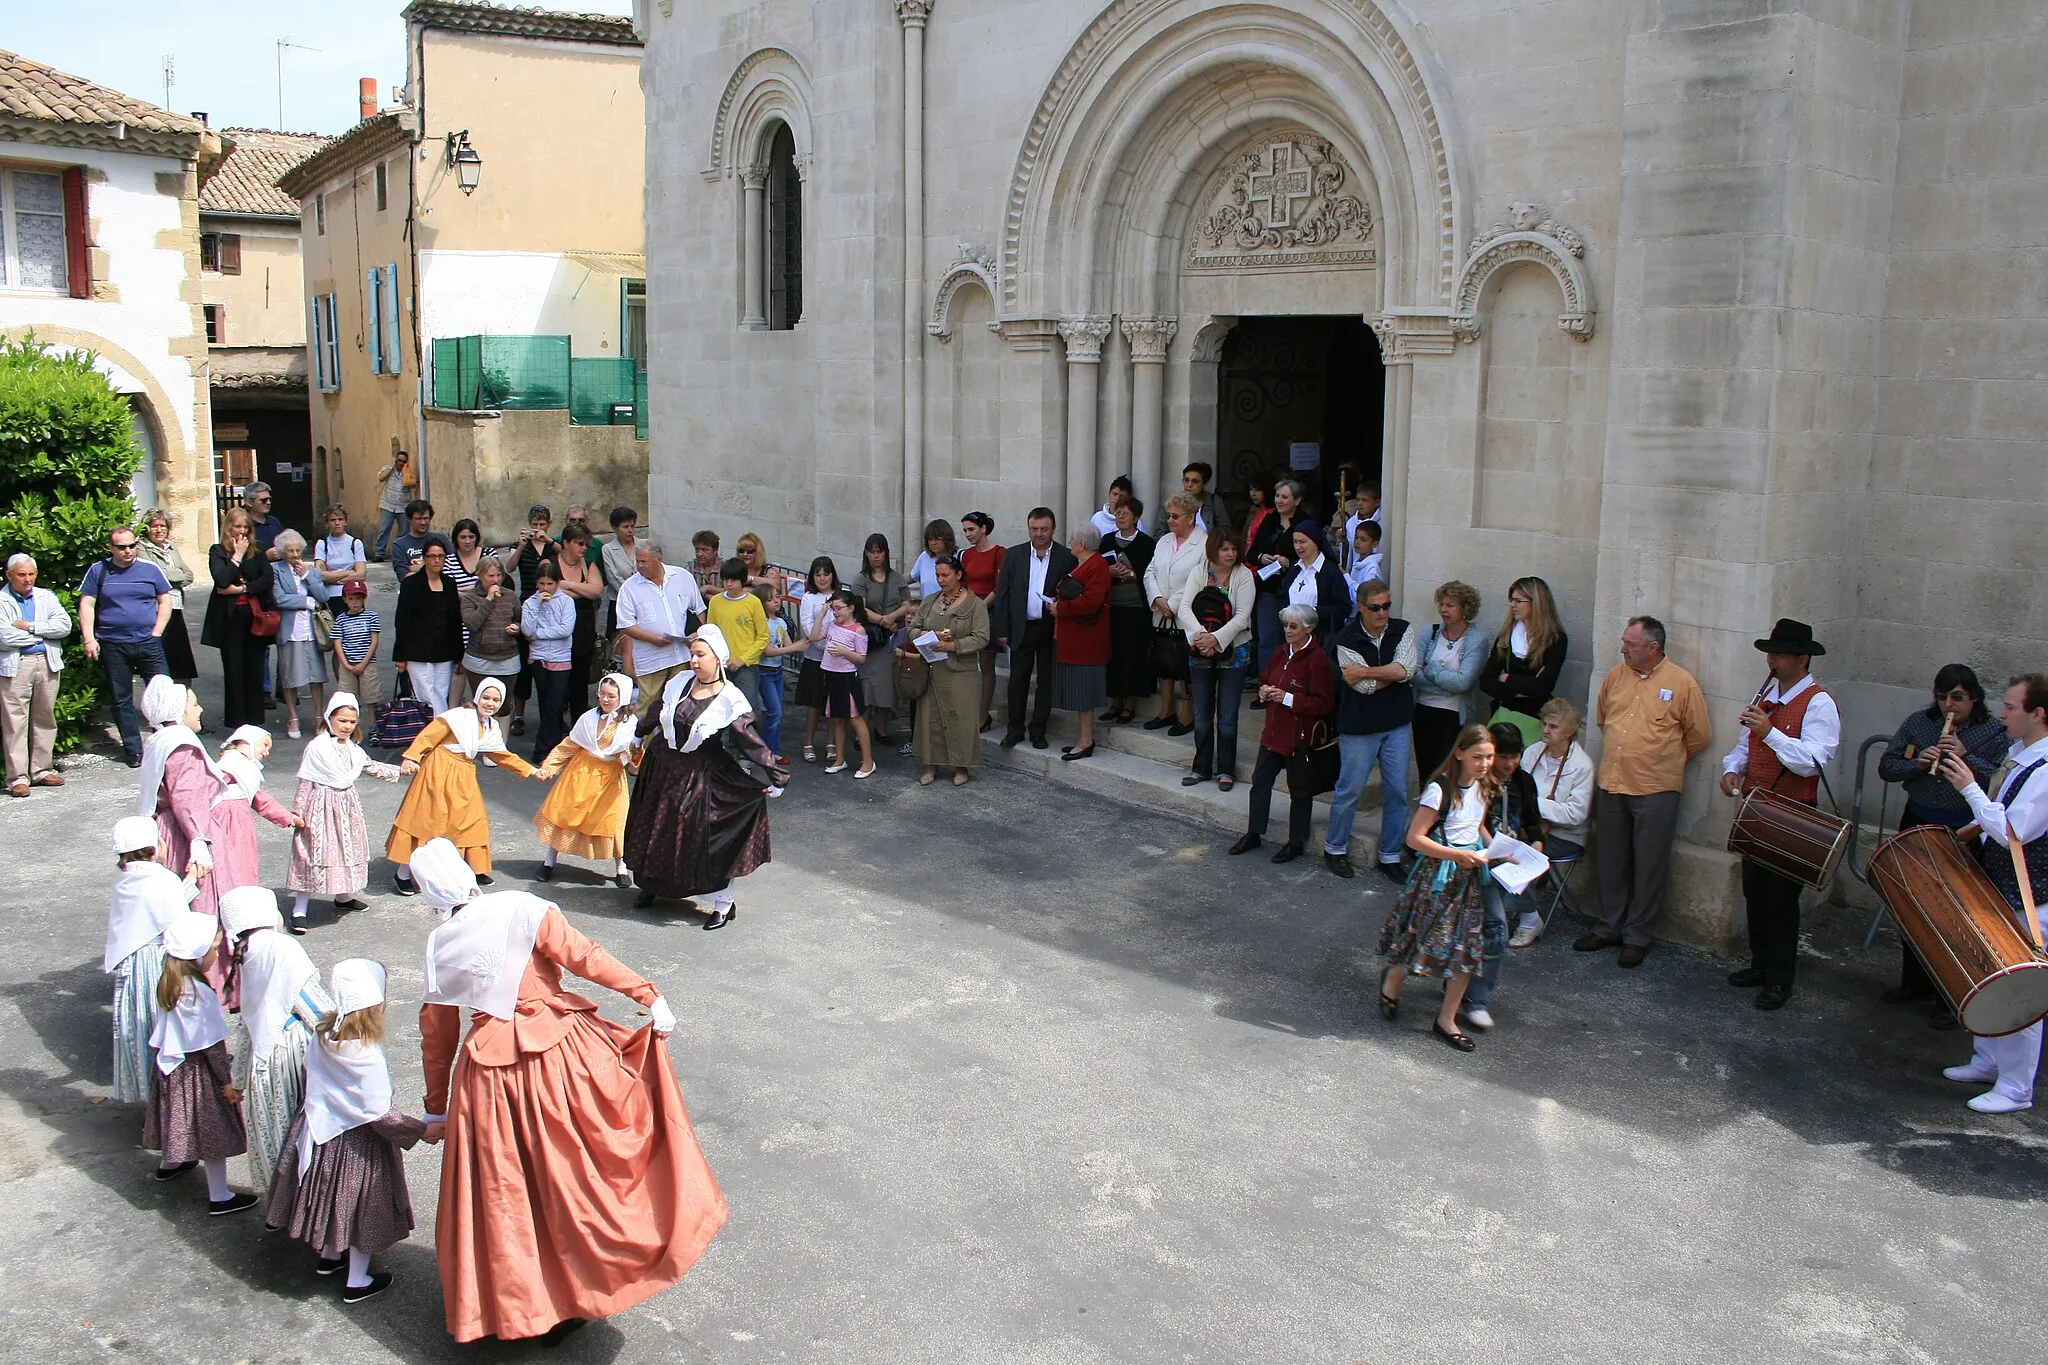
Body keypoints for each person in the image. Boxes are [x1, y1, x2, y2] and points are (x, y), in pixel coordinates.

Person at [409, 838, 723, 1344]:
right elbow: (584, 957)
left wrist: (437, 1108)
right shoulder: (521, 908)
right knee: (581, 1176)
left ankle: (528, 1304)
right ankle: (589, 1280)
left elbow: (437, 1035)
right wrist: (649, 994)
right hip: (560, 1054)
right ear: (468, 874)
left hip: (488, 1078)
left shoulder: (440, 944)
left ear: (430, 896)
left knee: (510, 1195)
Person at [265, 958, 427, 1305]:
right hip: (358, 1143)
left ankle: (329, 1256)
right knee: (361, 1208)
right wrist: (421, 1131)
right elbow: (380, 1115)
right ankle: (358, 1279)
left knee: (328, 1196)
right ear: (376, 1006)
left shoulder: (323, 1036)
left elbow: (311, 1073)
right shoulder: (365, 1054)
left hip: (320, 1131)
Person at [1934, 674, 2048, 1114]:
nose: (2003, 713)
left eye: (2013, 707)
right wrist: (1973, 827)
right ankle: (1987, 1061)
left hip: (2031, 900)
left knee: (2021, 993)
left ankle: (2017, 1088)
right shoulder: (2021, 754)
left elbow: (2015, 831)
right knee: (1987, 976)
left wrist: (1969, 789)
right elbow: (1999, 817)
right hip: (2003, 890)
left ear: (2038, 714)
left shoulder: (2044, 768)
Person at [1715, 619, 1842, 1011]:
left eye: (1781, 654)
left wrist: (1771, 732)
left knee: (1782, 898)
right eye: (1771, 653)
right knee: (1754, 888)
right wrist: (1732, 767)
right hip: (1758, 804)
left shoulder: (1819, 703)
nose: (1771, 660)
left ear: (1802, 659)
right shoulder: (1769, 691)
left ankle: (1780, 978)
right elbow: (1744, 743)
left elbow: (1812, 762)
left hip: (1794, 810)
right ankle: (1759, 963)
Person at [624, 627, 791, 920]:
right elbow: (657, 711)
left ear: (718, 659)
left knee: (701, 839)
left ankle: (723, 904)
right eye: (692, 655)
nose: (694, 661)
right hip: (662, 767)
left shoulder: (730, 698)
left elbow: (749, 740)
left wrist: (776, 775)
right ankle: (651, 885)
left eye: (701, 655)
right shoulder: (680, 683)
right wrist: (639, 735)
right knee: (654, 830)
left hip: (698, 775)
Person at [1578, 615, 1713, 968]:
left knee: (1649, 865)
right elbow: (1603, 718)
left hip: (1656, 789)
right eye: (1624, 642)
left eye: (1630, 644)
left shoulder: (1681, 683)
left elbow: (1698, 736)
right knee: (1610, 860)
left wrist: (1661, 761)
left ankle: (1637, 936)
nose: (1623, 649)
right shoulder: (1615, 676)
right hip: (1613, 783)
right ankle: (1608, 927)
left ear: (1653, 648)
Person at [1876, 665, 2007, 1025]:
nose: (1948, 705)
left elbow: (2002, 779)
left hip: (1961, 829)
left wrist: (1965, 756)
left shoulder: (1994, 731)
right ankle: (1913, 983)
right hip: (1917, 819)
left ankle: (1950, 996)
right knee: (1910, 903)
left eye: (1957, 697)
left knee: (1954, 915)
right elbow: (1887, 766)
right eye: (1942, 696)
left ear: (1974, 697)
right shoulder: (1920, 722)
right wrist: (1917, 764)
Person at [1378, 724, 1498, 1052]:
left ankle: (1446, 1019)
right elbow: (1415, 838)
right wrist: (1458, 854)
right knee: (1422, 940)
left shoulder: (1485, 786)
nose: (1484, 763)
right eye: (1478, 757)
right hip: (1438, 878)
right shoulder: (1440, 789)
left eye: (1489, 757)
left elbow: (1478, 827)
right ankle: (1393, 978)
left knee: (1467, 952)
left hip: (1469, 880)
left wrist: (1503, 851)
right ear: (1459, 753)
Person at [145, 910, 257, 1213]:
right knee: (211, 1131)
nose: (216, 955)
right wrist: (228, 1081)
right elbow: (212, 1046)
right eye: (213, 949)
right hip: (198, 1072)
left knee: (177, 1119)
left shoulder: (170, 982)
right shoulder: (199, 994)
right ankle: (220, 1196)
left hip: (171, 1067)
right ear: (197, 955)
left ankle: (171, 1163)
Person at [386, 677, 541, 894]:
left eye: (496, 700)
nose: (490, 703)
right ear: (477, 697)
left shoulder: (490, 726)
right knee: (428, 821)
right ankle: (403, 873)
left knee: (471, 820)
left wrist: (531, 770)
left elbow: (501, 755)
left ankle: (472, 868)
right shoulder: (457, 717)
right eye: (486, 697)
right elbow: (427, 737)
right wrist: (412, 757)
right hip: (438, 771)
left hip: (464, 773)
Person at [220, 886, 329, 1193]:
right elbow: (314, 1008)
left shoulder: (249, 950)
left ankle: (279, 1206)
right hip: (293, 1055)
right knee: (303, 1134)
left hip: (261, 1061)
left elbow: (246, 1027)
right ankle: (307, 1209)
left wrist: (238, 1081)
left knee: (274, 1135)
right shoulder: (283, 948)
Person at [1323, 578, 1418, 882]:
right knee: (1349, 789)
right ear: (1361, 607)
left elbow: (1408, 669)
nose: (1382, 613)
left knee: (1397, 791)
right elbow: (1363, 688)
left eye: (1386, 606)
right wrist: (1394, 673)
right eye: (1375, 607)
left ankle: (1390, 855)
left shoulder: (1402, 630)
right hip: (1359, 727)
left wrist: (1367, 670)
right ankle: (1335, 848)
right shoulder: (1346, 638)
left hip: (1397, 724)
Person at [1228, 604, 1335, 862]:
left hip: (1299, 737)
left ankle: (1296, 841)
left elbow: (1324, 703)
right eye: (1285, 624)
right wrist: (1265, 691)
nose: (1288, 630)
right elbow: (1266, 678)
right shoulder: (1280, 652)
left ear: (1309, 628)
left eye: (1294, 626)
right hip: (1273, 732)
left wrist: (1288, 698)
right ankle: (1254, 832)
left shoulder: (1317, 659)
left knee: (1299, 790)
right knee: (1260, 782)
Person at [1458, 722, 1546, 1032]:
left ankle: (1475, 999)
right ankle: (1458, 988)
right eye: (1503, 756)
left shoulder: (1523, 782)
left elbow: (1534, 824)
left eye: (1516, 755)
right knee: (1481, 928)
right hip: (1477, 862)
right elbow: (1472, 825)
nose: (1510, 763)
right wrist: (1493, 850)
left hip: (1508, 867)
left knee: (1494, 930)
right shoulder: (1478, 782)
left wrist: (1534, 849)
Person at [288, 693, 402, 929]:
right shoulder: (317, 748)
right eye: (342, 721)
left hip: (346, 803)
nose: (347, 726)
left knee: (346, 849)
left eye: (352, 722)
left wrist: (400, 771)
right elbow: (306, 781)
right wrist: (297, 813)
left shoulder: (352, 748)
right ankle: (300, 907)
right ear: (330, 719)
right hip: (320, 803)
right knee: (315, 853)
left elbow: (368, 766)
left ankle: (343, 896)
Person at [106, 815, 191, 1104]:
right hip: (157, 964)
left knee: (138, 1030)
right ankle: (170, 1102)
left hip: (132, 965)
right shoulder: (164, 879)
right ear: (155, 849)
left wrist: (190, 881)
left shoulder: (127, 879)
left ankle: (148, 1098)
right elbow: (176, 920)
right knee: (163, 1029)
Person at [535, 672, 641, 888]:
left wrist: (635, 757)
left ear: (623, 698)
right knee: (565, 815)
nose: (605, 699)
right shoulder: (589, 718)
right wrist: (549, 767)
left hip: (610, 776)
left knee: (614, 821)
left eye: (611, 695)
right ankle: (549, 861)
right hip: (581, 773)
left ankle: (621, 867)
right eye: (602, 693)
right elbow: (569, 745)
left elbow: (632, 752)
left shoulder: (630, 724)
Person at [83, 525, 175, 761]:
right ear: (110, 548)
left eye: (132, 545)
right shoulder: (98, 571)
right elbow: (87, 604)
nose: (128, 551)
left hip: (148, 641)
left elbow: (165, 601)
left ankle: (166, 746)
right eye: (122, 547)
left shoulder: (150, 569)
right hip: (113, 643)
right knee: (121, 697)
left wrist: (157, 632)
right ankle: (133, 749)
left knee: (162, 694)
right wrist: (89, 638)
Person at [990, 508, 1076, 751]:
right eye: (1034, 529)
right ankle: (1014, 729)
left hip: (1049, 628)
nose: (1039, 534)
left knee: (1046, 682)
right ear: (1028, 528)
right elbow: (1003, 594)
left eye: (1044, 529)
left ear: (1053, 529)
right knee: (1017, 680)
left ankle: (1038, 730)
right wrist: (1002, 630)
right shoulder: (1014, 555)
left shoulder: (1065, 557)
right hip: (1021, 627)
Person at [1513, 697, 1596, 946]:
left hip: (1565, 836)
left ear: (1570, 731)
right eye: (1545, 724)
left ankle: (1529, 921)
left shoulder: (1582, 766)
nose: (1546, 730)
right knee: (1492, 844)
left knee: (1523, 856)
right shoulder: (1533, 752)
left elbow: (1576, 814)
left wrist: (1535, 806)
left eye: (1554, 727)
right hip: (1530, 828)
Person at [1176, 528, 1255, 789]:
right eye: (1224, 548)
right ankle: (1200, 768)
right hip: (1200, 650)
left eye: (1233, 548)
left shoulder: (1244, 575)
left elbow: (1242, 616)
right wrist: (1202, 636)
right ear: (1214, 550)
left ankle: (1226, 770)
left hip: (1234, 653)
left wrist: (1217, 639)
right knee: (1201, 714)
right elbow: (1185, 607)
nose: (1230, 553)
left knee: (1228, 715)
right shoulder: (1200, 572)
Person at [137, 678, 223, 913]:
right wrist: (198, 840)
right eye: (194, 705)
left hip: (165, 827)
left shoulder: (159, 739)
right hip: (182, 832)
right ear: (179, 712)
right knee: (197, 905)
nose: (200, 710)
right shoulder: (181, 745)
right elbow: (188, 797)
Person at [902, 555, 989, 785]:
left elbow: (981, 638)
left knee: (959, 718)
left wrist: (952, 645)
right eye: (937, 575)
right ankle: (930, 766)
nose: (940, 580)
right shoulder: (930, 601)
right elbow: (912, 629)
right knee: (930, 718)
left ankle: (961, 767)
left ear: (958, 574)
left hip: (960, 671)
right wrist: (925, 636)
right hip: (931, 667)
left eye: (945, 575)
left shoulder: (975, 604)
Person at [615, 539, 708, 724]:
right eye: (638, 561)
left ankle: (674, 748)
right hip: (651, 661)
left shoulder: (682, 577)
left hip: (680, 655)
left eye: (644, 561)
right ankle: (640, 749)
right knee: (647, 708)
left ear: (659, 559)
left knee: (678, 704)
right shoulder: (629, 588)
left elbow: (699, 609)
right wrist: (652, 639)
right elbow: (625, 624)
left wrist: (697, 634)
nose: (639, 566)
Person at [212, 725, 304, 908]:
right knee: (232, 863)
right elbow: (209, 788)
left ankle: (240, 905)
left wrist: (287, 817)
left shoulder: (243, 768)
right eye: (264, 745)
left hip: (239, 822)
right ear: (248, 742)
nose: (267, 752)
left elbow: (259, 798)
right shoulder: (230, 766)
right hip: (226, 821)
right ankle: (232, 905)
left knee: (242, 863)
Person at [1, 553, 71, 796]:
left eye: (31, 574)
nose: (27, 579)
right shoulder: (1, 600)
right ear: (9, 575)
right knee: (15, 722)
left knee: (45, 717)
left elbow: (64, 626)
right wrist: (43, 635)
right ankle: (17, 778)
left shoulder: (46, 597)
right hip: (17, 664)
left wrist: (30, 627)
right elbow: (3, 636)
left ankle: (42, 771)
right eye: (22, 574)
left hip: (46, 663)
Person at [1411, 580, 1488, 781]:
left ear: (1465, 608)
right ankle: (1427, 809)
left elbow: (1463, 683)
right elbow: (1413, 673)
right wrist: (1447, 685)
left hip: (1453, 715)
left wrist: (1433, 670)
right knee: (1425, 768)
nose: (1444, 610)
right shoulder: (1429, 633)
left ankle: (1445, 810)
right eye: (1442, 605)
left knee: (1447, 770)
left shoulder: (1476, 639)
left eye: (1450, 605)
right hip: (1423, 710)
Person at [1144, 494, 1206, 734]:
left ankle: (1186, 715)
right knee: (1163, 662)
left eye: (1175, 516)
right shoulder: (1164, 541)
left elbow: (1198, 577)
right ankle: (1166, 710)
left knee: (1184, 666)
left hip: (1187, 613)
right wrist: (1157, 598)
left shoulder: (1203, 543)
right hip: (1161, 612)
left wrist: (1175, 603)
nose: (1170, 520)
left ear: (1190, 518)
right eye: (1168, 515)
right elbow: (1150, 571)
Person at [1480, 576, 1567, 746]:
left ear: (1536, 603)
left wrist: (1506, 678)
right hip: (1503, 718)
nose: (1513, 605)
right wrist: (1518, 691)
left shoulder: (1555, 640)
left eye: (1518, 600)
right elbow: (1485, 681)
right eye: (1511, 600)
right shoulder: (1506, 636)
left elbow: (1542, 687)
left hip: (1533, 720)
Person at [1052, 529, 1112, 761]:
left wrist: (1061, 609)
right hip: (1076, 638)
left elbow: (1091, 601)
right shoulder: (1083, 563)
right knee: (1080, 691)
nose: (1070, 543)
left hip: (1087, 641)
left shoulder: (1096, 565)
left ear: (1083, 543)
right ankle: (1083, 738)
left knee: (1084, 691)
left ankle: (1086, 740)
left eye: (1073, 539)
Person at [850, 534, 912, 746]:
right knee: (868, 687)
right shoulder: (861, 579)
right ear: (866, 553)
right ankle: (862, 732)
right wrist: (884, 620)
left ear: (885, 553)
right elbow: (860, 608)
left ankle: (882, 730)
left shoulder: (896, 578)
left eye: (879, 552)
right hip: (871, 640)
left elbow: (906, 603)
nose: (876, 556)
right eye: (872, 552)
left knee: (887, 687)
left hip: (891, 639)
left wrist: (894, 617)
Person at [1100, 498, 1156, 724]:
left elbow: (1151, 573)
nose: (1120, 515)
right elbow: (1096, 571)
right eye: (1118, 512)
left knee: (1133, 656)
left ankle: (1129, 705)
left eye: (1125, 512)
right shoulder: (1106, 541)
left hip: (1136, 608)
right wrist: (1110, 573)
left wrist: (1133, 575)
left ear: (1136, 517)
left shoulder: (1146, 543)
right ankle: (1114, 702)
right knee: (1112, 655)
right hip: (1112, 607)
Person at [392, 540, 463, 716]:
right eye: (432, 557)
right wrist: (400, 655)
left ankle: (438, 734)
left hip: (444, 650)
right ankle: (436, 733)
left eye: (440, 556)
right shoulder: (410, 585)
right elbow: (402, 621)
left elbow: (455, 620)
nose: (436, 561)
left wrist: (459, 653)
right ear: (424, 559)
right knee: (426, 697)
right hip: (418, 651)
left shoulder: (449, 584)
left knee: (441, 693)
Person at [271, 531, 329, 739]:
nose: (295, 554)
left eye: (298, 550)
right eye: (290, 551)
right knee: (290, 675)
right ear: (282, 552)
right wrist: (306, 602)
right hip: (290, 629)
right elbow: (279, 599)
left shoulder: (311, 570)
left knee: (316, 675)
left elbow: (323, 596)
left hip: (311, 629)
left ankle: (318, 716)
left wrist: (306, 576)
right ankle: (293, 716)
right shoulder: (276, 570)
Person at [518, 561, 578, 762]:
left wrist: (538, 635)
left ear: (558, 583)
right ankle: (551, 747)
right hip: (539, 658)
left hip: (560, 658)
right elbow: (526, 629)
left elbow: (565, 629)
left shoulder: (566, 602)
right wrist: (536, 606)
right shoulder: (529, 603)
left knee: (555, 704)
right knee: (545, 705)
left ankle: (544, 749)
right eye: (542, 584)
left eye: (550, 584)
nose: (545, 588)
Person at [1248, 477, 1305, 678]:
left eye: (1285, 497)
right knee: (1267, 638)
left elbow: (1314, 556)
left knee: (1294, 638)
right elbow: (1251, 552)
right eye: (1277, 496)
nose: (1279, 500)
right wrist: (1262, 557)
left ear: (1296, 501)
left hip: (1296, 589)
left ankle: (1291, 683)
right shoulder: (1268, 521)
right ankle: (1267, 685)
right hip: (1269, 588)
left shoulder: (1305, 523)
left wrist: (1290, 563)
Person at [508, 505, 557, 737]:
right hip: (526, 604)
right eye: (534, 525)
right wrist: (520, 544)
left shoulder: (552, 545)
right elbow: (509, 567)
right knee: (524, 666)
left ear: (548, 524)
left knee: (551, 661)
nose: (537, 529)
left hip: (552, 606)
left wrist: (549, 541)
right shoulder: (522, 544)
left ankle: (551, 712)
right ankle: (518, 716)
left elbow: (564, 558)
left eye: (542, 524)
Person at [136, 508, 199, 685]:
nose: (159, 530)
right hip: (155, 610)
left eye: (163, 526)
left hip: (176, 607)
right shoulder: (142, 547)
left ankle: (184, 703)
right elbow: (153, 574)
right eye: (154, 526)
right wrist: (175, 575)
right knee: (158, 660)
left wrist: (172, 575)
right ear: (147, 528)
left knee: (181, 660)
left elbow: (189, 574)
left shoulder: (171, 547)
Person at [818, 591, 877, 777]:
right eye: (833, 608)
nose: (835, 612)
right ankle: (840, 758)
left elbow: (861, 658)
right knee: (837, 719)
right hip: (831, 675)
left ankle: (868, 761)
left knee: (856, 719)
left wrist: (843, 651)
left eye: (838, 608)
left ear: (851, 608)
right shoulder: (830, 625)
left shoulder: (859, 630)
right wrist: (822, 613)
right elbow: (813, 636)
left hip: (847, 678)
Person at [705, 557, 770, 712]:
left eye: (733, 580)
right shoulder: (715, 602)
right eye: (726, 580)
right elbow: (710, 632)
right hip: (721, 666)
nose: (728, 584)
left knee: (746, 711)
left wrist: (743, 659)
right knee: (722, 710)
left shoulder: (753, 602)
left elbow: (763, 637)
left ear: (742, 580)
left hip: (747, 666)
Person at [959, 513, 1005, 730]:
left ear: (983, 529)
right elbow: (963, 584)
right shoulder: (966, 555)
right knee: (966, 662)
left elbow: (999, 585)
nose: (968, 534)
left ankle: (982, 714)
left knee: (987, 665)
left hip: (989, 612)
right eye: (965, 530)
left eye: (971, 529)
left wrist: (981, 607)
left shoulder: (999, 553)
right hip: (968, 611)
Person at [457, 553, 520, 703]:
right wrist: (488, 599)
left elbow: (519, 620)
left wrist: (516, 627)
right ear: (479, 575)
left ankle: (503, 727)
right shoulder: (469, 597)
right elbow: (472, 624)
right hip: (479, 659)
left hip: (507, 658)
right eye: (491, 575)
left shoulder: (510, 595)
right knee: (482, 704)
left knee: (504, 704)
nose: (496, 580)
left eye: (499, 575)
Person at [795, 556, 841, 764]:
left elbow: (844, 623)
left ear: (833, 575)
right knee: (814, 703)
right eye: (818, 574)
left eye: (826, 573)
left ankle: (832, 743)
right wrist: (825, 640)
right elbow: (808, 628)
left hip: (837, 657)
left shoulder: (842, 596)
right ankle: (808, 742)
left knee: (832, 701)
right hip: (815, 656)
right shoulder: (809, 598)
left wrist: (831, 641)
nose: (822, 578)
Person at [555, 522, 604, 712]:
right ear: (566, 543)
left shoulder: (588, 565)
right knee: (557, 688)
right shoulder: (550, 563)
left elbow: (597, 590)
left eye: (585, 544)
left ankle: (579, 728)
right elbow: (551, 590)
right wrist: (582, 590)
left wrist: (568, 585)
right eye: (579, 543)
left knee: (580, 685)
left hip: (583, 634)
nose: (584, 548)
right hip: (557, 636)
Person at [753, 582, 798, 762]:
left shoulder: (780, 621)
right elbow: (768, 651)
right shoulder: (761, 622)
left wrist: (806, 642)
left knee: (775, 712)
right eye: (770, 599)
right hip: (764, 671)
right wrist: (795, 647)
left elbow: (789, 646)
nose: (776, 601)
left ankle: (772, 750)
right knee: (775, 712)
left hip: (777, 671)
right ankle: (768, 752)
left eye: (777, 597)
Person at [1282, 521, 1347, 644]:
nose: (1298, 547)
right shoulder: (1294, 568)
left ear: (1315, 541)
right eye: (1295, 542)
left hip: (1321, 640)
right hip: (1294, 638)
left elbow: (1344, 608)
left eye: (1303, 542)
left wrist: (1313, 612)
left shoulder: (1330, 571)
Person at [329, 581, 384, 712]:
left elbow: (374, 641)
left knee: (371, 696)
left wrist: (363, 663)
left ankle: (373, 725)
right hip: (347, 663)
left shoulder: (371, 616)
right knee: (347, 697)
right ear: (345, 599)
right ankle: (351, 726)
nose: (355, 602)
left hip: (367, 662)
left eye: (358, 598)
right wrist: (345, 664)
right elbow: (337, 642)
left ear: (364, 598)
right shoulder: (341, 619)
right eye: (351, 599)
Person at [387, 500, 453, 584]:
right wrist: (434, 569)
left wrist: (418, 568)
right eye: (418, 519)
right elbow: (404, 577)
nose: (423, 522)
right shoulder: (399, 545)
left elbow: (452, 569)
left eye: (426, 518)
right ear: (410, 519)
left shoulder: (442, 539)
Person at [371, 451, 417, 561]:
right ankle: (379, 553)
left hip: (403, 506)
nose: (401, 463)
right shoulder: (387, 468)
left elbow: (414, 484)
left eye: (403, 461)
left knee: (404, 531)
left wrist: (407, 475)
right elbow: (381, 478)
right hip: (388, 505)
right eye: (399, 461)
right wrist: (392, 469)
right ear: (395, 460)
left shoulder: (408, 471)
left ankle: (400, 554)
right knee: (384, 529)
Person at [313, 505, 367, 588]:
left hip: (352, 592)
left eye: (340, 519)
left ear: (345, 522)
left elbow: (361, 574)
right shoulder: (322, 544)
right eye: (333, 520)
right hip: (330, 593)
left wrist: (336, 579)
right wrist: (350, 572)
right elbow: (320, 575)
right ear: (327, 523)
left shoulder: (355, 543)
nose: (337, 523)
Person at [909, 519, 957, 599]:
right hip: (927, 607)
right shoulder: (924, 556)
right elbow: (912, 576)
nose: (933, 543)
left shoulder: (959, 556)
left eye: (937, 539)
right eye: (930, 539)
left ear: (947, 538)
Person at [1089, 474, 1144, 538]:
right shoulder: (1097, 518)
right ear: (1109, 494)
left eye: (1121, 496)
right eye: (1114, 494)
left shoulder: (1134, 520)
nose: (1117, 498)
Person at [243, 482, 285, 558]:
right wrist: (265, 556)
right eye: (264, 500)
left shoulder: (274, 521)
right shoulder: (242, 525)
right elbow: (238, 556)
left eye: (270, 499)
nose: (268, 503)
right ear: (249, 503)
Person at [1182, 462, 1225, 535]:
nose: (1189, 485)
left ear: (1204, 483)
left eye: (1194, 481)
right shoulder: (1174, 502)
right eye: (1186, 480)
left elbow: (1225, 529)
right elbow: (1160, 532)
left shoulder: (1214, 502)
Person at [1345, 519, 1384, 596]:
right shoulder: (1358, 562)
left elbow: (1364, 596)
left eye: (1363, 540)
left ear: (1374, 544)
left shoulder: (1372, 569)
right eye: (1356, 538)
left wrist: (1347, 577)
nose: (1357, 542)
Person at [689, 528, 724, 601]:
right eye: (697, 549)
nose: (699, 554)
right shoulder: (690, 567)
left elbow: (733, 592)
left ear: (715, 550)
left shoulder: (726, 567)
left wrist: (709, 588)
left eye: (704, 550)